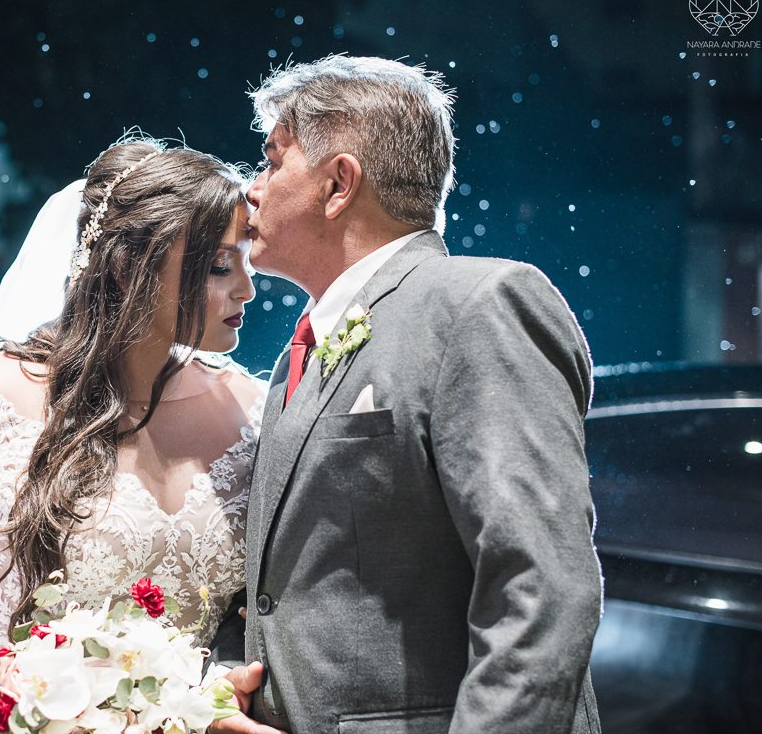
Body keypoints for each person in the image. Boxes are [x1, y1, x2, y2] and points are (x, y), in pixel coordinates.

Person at [231, 56, 604, 734]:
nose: (250, 190)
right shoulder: (303, 348)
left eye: (272, 159)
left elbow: (543, 585)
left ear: (338, 184)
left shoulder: (478, 305)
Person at [0, 139, 266, 734]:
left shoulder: (253, 414)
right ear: (123, 268)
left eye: (247, 261)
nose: (247, 288)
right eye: (220, 266)